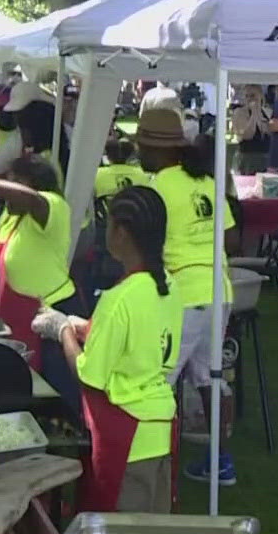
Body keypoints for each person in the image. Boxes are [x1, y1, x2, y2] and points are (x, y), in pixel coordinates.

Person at [49, 185, 180, 511]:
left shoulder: (116, 299)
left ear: (120, 232)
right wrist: (88, 327)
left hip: (127, 440)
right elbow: (141, 338)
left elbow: (89, 375)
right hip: (161, 430)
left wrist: (62, 329)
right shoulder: (168, 284)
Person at [138, 107, 241, 487]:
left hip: (182, 294)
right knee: (212, 378)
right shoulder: (207, 182)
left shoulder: (157, 188)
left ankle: (155, 460)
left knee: (158, 381)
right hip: (220, 291)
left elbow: (146, 247)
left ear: (154, 149)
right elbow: (231, 239)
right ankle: (220, 462)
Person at [0, 154, 83, 410]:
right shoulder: (12, 216)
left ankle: (73, 436)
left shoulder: (52, 207)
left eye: (14, 186)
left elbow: (34, 200)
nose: (7, 196)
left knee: (58, 391)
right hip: (16, 319)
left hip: (52, 315)